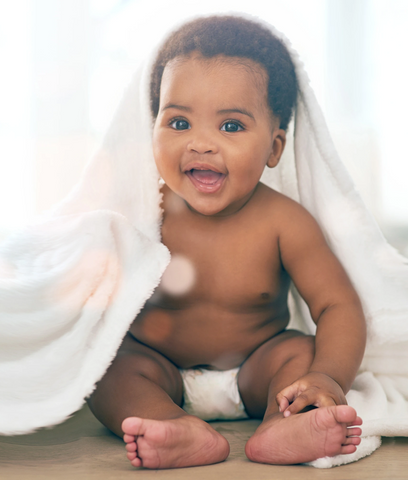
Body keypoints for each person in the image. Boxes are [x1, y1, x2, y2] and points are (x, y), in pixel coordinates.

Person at [87, 15, 366, 469]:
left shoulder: (284, 223)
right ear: (151, 125)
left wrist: (325, 377)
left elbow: (338, 306)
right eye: (178, 123)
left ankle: (282, 424)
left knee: (298, 350)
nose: (201, 144)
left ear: (274, 148)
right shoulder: (140, 216)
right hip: (161, 369)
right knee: (109, 366)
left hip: (257, 370)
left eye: (231, 127)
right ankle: (171, 426)